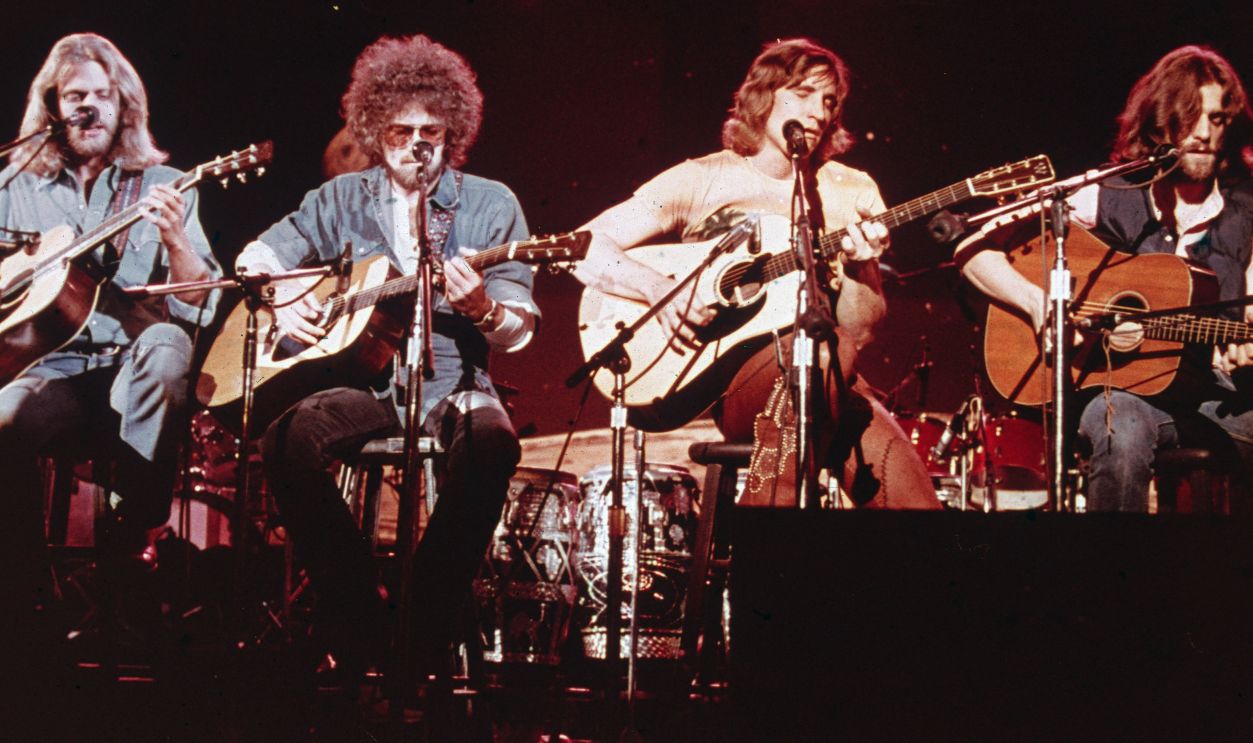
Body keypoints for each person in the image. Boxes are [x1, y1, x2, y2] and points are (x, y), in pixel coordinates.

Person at [236, 34, 537, 673]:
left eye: (431, 132)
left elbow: (520, 330)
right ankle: (358, 613)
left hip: (452, 377)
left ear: (452, 131)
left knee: (492, 446)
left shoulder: (491, 203)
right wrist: (282, 297)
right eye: (401, 131)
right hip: (361, 382)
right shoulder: (339, 198)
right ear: (376, 128)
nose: (416, 145)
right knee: (285, 440)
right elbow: (256, 256)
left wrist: (482, 307)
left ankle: (421, 618)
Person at [571, 38, 939, 508]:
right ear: (764, 95)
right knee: (820, 355)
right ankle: (764, 525)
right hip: (738, 382)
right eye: (803, 94)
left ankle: (760, 519)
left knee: (919, 513)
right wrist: (660, 289)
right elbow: (583, 246)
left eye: (829, 102)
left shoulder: (849, 189)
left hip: (830, 374)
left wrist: (859, 264)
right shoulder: (703, 178)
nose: (819, 112)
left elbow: (860, 332)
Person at [957, 45, 1253, 512]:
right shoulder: (1106, 191)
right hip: (1126, 396)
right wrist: (1039, 304)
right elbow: (973, 248)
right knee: (1120, 425)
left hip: (1217, 399)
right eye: (1188, 117)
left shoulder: (1246, 217)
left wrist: (1243, 346)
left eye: (1215, 119)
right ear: (1160, 122)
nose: (1202, 133)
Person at [0, 33, 221, 604]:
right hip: (47, 373)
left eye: (103, 95)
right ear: (52, 107)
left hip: (133, 371)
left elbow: (200, 303)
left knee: (169, 340)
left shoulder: (165, 186)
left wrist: (175, 240)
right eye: (76, 96)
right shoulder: (13, 186)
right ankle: (29, 598)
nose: (90, 107)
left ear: (124, 106)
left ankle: (134, 533)